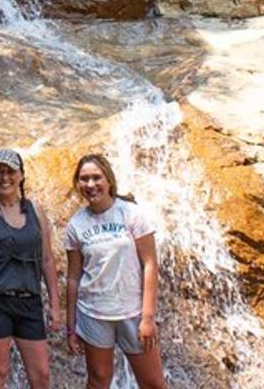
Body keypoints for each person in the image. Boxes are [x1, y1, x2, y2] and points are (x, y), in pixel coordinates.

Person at [64, 154, 167, 389]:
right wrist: (71, 327)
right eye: (84, 179)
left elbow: (150, 264)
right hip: (93, 313)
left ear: (109, 180)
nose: (90, 185)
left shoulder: (132, 214)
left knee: (153, 383)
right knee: (98, 380)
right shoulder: (76, 225)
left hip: (132, 312)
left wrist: (148, 317)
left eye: (96, 178)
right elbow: (73, 279)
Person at [0, 149, 61, 389]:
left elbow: (47, 260)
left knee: (41, 376)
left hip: (29, 302)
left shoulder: (36, 212)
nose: (4, 178)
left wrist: (56, 307)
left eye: (10, 172)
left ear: (21, 176)